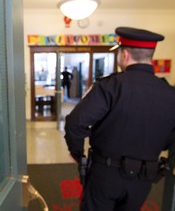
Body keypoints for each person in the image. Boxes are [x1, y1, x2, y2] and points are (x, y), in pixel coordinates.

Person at [64, 27, 175, 211]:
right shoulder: (170, 94)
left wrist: (78, 155)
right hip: (144, 178)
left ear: (124, 55)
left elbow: (75, 123)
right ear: (151, 56)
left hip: (105, 174)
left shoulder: (110, 86)